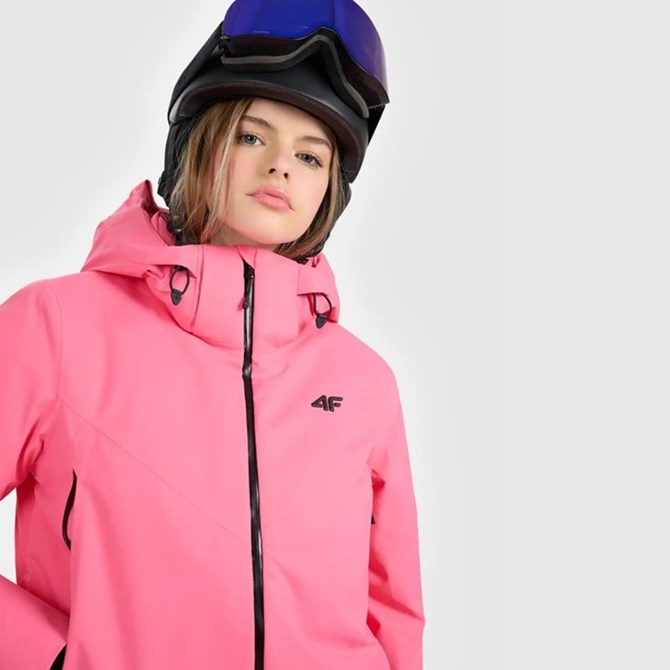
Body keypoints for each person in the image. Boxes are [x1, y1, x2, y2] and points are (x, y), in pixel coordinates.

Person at [0, 0, 425, 668]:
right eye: (252, 137)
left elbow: (393, 609)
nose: (281, 167)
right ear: (198, 143)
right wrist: (50, 658)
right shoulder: (57, 326)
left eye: (310, 156)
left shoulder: (362, 382)